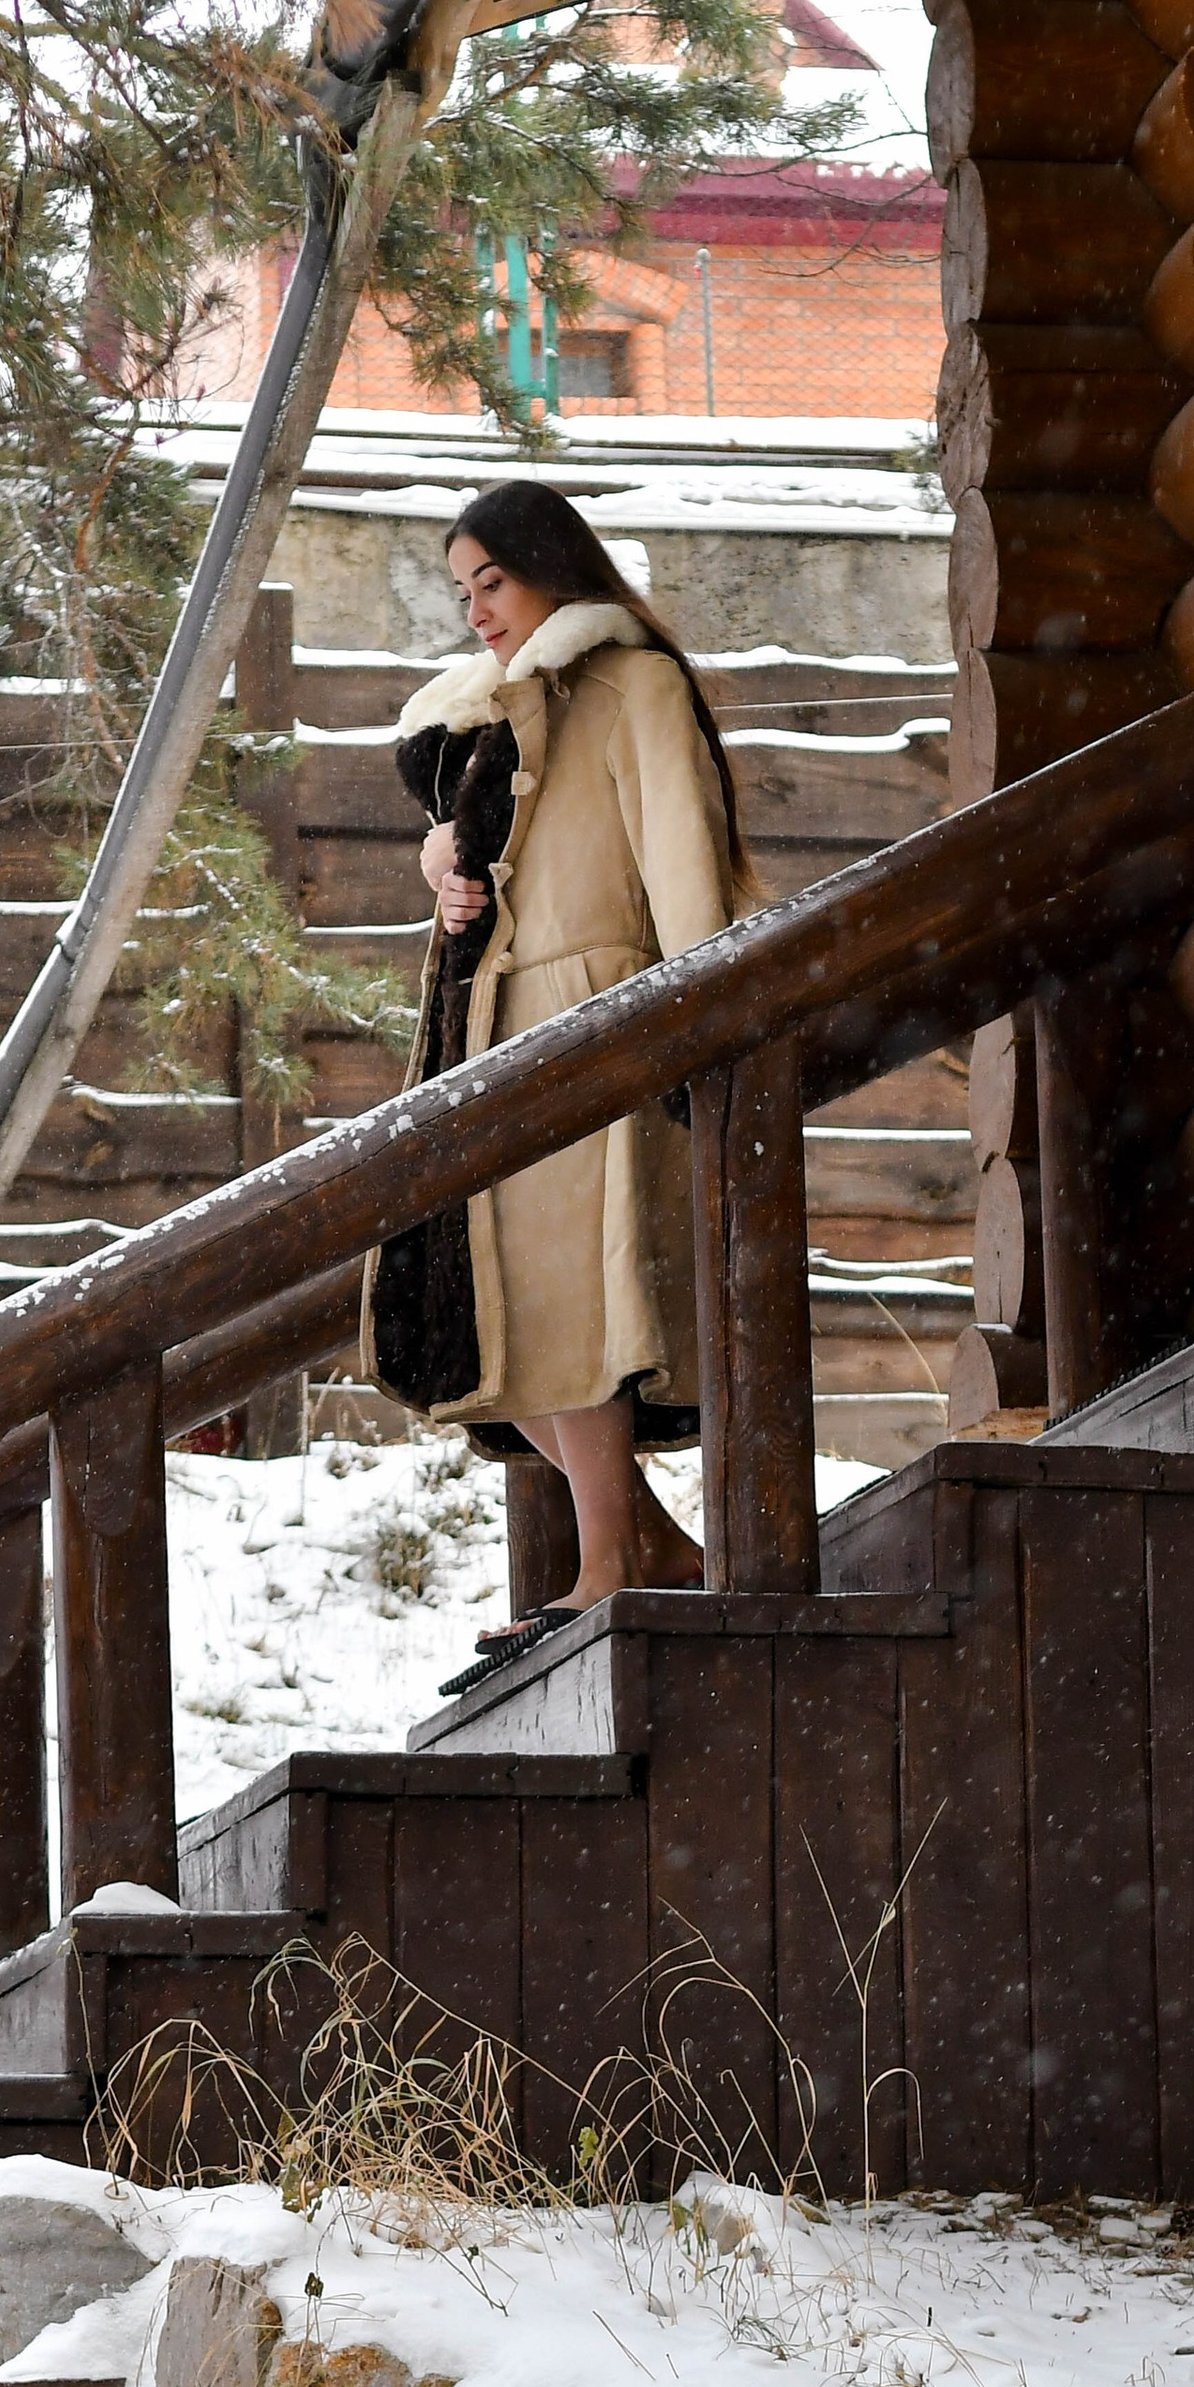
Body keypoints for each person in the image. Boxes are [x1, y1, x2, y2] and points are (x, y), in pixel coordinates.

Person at [361, 478, 758, 1687]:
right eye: (461, 588)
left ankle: (609, 1564)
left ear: (551, 567)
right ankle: (644, 1542)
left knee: (570, 1312)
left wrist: (698, 1023)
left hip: (592, 1033)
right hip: (484, 1035)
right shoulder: (492, 713)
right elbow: (489, 865)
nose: (477, 608)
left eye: (493, 578)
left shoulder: (632, 685)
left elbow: (683, 860)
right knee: (478, 1311)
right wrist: (441, 854)